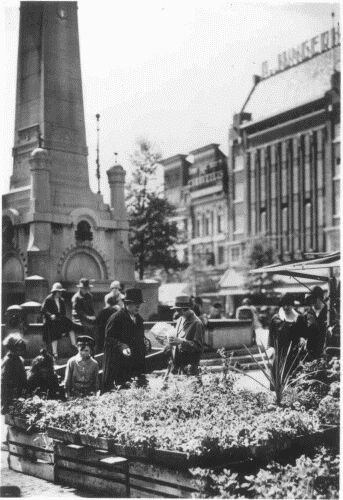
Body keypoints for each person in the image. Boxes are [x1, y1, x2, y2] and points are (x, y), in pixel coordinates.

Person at [102, 288, 147, 392]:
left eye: (139, 303)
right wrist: (122, 346)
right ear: (127, 304)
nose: (138, 306)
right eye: (135, 303)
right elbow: (109, 338)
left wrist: (145, 343)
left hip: (133, 363)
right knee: (119, 391)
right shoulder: (116, 318)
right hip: (118, 363)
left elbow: (139, 338)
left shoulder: (139, 320)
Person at [267, 294, 306, 386]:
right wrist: (270, 348)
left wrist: (302, 339)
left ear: (292, 305)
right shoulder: (276, 318)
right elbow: (271, 335)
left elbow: (303, 334)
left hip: (293, 353)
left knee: (292, 377)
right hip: (279, 353)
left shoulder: (299, 318)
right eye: (284, 305)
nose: (286, 307)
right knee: (278, 378)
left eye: (288, 305)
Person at [164, 295, 204, 375]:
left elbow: (198, 347)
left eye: (177, 310)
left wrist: (182, 342)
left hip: (190, 368)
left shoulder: (197, 323)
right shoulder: (180, 320)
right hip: (177, 366)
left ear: (184, 309)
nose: (176, 313)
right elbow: (177, 340)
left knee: (192, 386)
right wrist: (170, 345)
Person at [41, 282, 77, 361]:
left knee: (71, 325)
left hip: (59, 319)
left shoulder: (62, 300)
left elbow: (63, 313)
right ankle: (55, 353)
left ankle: (74, 344)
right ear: (54, 292)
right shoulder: (48, 299)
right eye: (58, 292)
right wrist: (50, 315)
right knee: (54, 333)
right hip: (50, 321)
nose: (60, 293)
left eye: (60, 292)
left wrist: (62, 319)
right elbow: (43, 310)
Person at [1, 334, 27, 414]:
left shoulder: (19, 359)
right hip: (10, 391)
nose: (20, 352)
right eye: (18, 350)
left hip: (18, 389)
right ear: (12, 349)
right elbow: (4, 382)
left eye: (21, 350)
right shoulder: (8, 361)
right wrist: (5, 403)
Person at [303, 286, 328, 359]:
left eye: (314, 299)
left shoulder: (329, 312)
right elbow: (303, 333)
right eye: (309, 300)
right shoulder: (307, 314)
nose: (312, 302)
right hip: (310, 354)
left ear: (320, 298)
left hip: (325, 352)